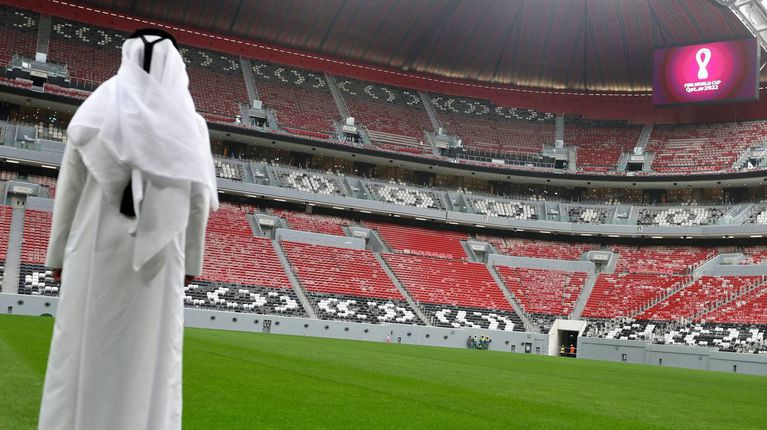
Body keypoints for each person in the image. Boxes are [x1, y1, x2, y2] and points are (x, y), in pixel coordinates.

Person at [37, 28, 218, 430]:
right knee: (151, 352)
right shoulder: (191, 124)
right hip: (161, 257)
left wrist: (56, 255)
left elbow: (69, 190)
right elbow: (196, 203)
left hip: (92, 249)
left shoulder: (93, 110)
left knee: (85, 343)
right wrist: (191, 261)